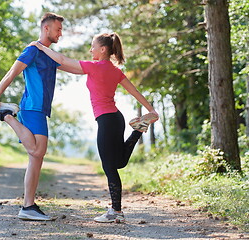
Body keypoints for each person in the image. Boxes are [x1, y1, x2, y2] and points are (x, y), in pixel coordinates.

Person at [30, 32, 159, 223]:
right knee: (118, 163)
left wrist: (41, 47)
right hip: (116, 119)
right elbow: (134, 91)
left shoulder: (94, 67)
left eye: (93, 46)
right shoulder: (114, 70)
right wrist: (151, 110)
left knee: (110, 166)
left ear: (103, 49)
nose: (91, 50)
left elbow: (64, 59)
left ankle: (116, 212)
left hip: (107, 121)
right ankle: (138, 130)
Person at [0, 12, 66, 221]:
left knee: (36, 158)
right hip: (32, 107)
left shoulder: (49, 54)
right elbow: (11, 72)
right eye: (58, 29)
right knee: (38, 150)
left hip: (40, 109)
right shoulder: (32, 50)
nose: (61, 34)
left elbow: (73, 66)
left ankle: (28, 206)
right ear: (46, 28)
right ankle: (7, 116)